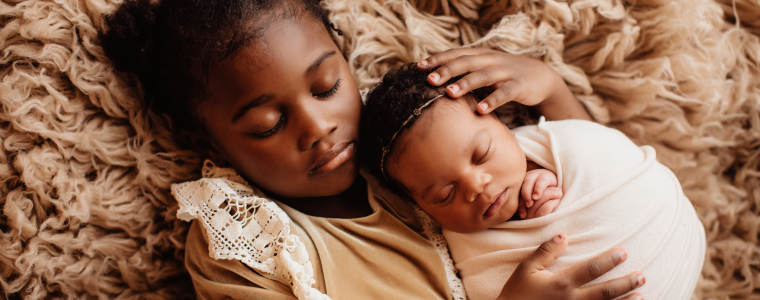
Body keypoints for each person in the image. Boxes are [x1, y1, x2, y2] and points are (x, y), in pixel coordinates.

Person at [99, 0, 648, 298]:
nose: (319, 127)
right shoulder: (246, 252)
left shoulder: (412, 137)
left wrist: (550, 86)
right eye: (267, 124)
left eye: (327, 87)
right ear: (206, 138)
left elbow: (596, 184)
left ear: (343, 55)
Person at [359, 64, 705, 300]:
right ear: (421, 209)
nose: (477, 185)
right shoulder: (456, 252)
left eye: (482, 153)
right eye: (446, 194)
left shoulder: (545, 145)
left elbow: (594, 142)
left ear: (497, 120)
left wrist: (549, 86)